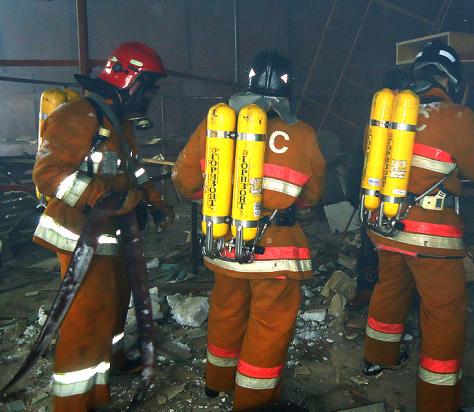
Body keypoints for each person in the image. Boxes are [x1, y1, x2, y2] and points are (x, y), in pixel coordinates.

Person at [172, 49, 325, 411]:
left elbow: (185, 180)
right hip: (275, 251)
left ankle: (217, 382)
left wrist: (221, 203)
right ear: (289, 87)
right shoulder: (302, 133)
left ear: (249, 79)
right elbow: (313, 196)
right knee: (268, 327)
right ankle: (254, 401)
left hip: (225, 242)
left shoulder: (216, 125)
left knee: (226, 311)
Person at [32, 42, 174, 412]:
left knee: (114, 304)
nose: (149, 96)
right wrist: (104, 197)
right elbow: (49, 174)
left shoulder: (116, 121)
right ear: (128, 80)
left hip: (112, 234)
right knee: (87, 317)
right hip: (79, 236)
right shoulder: (78, 115)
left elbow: (132, 168)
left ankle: (110, 366)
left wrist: (155, 202)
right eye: (147, 87)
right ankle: (74, 401)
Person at [361, 41, 474, 412]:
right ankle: (437, 401)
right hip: (431, 237)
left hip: (385, 225)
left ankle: (377, 358)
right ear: (450, 79)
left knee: (390, 288)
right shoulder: (455, 115)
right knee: (444, 313)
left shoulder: (388, 113)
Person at [348, 67, 410, 307]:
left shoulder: (378, 122)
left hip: (379, 197)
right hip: (390, 197)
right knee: (381, 246)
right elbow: (360, 159)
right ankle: (379, 292)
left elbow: (359, 159)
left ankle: (370, 290)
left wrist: (355, 195)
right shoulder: (401, 123)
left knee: (375, 245)